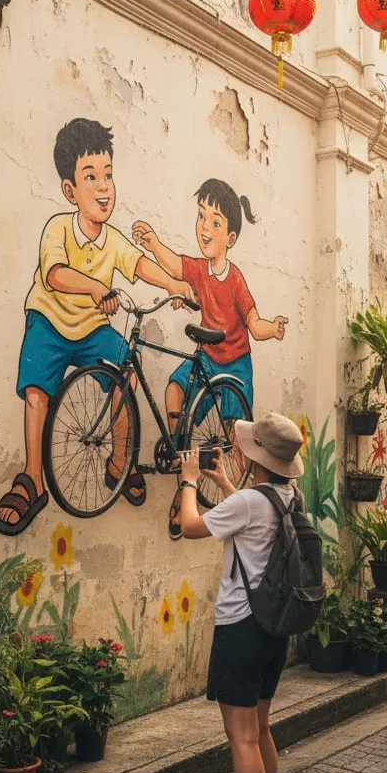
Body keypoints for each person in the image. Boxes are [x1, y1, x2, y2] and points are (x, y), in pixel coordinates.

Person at [0, 118, 193, 536]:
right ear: (70, 191)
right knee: (36, 391)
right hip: (49, 320)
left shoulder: (114, 239)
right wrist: (96, 287)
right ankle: (33, 478)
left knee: (126, 369)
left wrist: (174, 282)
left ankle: (120, 460)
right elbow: (55, 275)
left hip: (89, 329)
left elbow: (138, 265)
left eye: (108, 176)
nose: (104, 187)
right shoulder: (58, 228)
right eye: (91, 177)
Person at [176, 412, 305, 773]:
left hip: (240, 629)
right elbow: (248, 517)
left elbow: (192, 526)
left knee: (242, 738)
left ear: (256, 457)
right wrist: (226, 481)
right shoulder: (286, 496)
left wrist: (190, 481)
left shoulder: (251, 501)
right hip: (272, 631)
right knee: (261, 730)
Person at [131, 179, 288, 539]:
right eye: (202, 217)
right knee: (174, 388)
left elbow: (253, 322)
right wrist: (153, 242)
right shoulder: (200, 271)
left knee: (235, 438)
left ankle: (237, 505)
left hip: (233, 363)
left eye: (215, 222)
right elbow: (174, 266)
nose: (205, 227)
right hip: (207, 356)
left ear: (230, 237)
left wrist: (273, 329)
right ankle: (178, 448)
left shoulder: (234, 280)